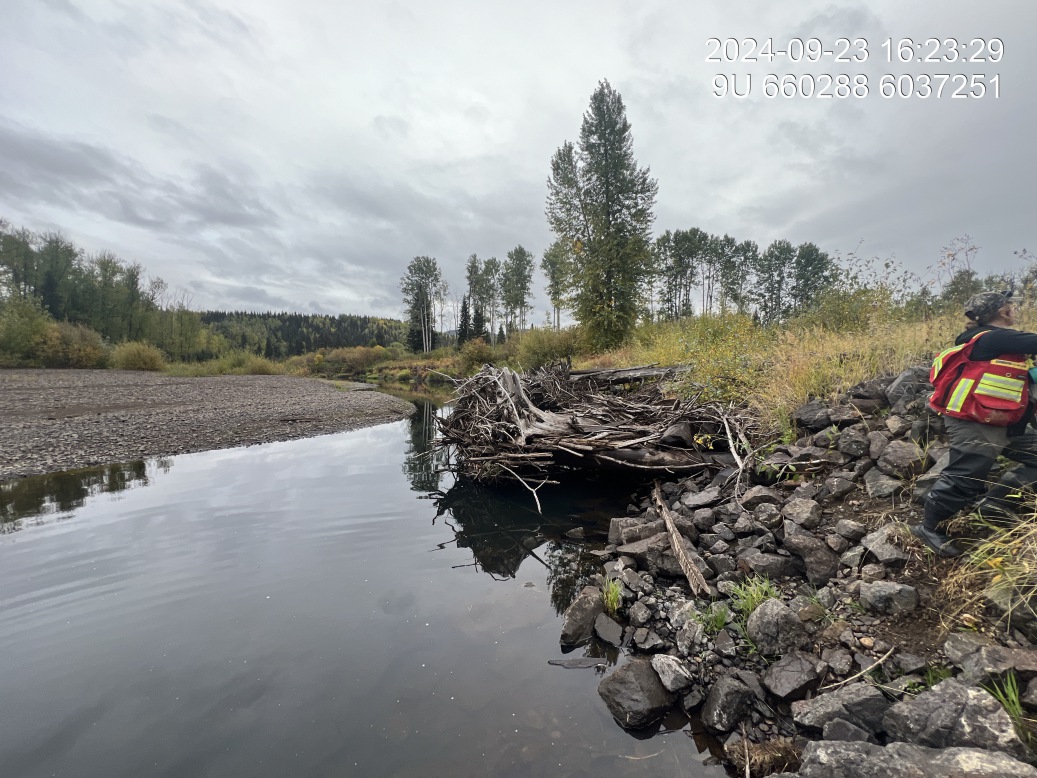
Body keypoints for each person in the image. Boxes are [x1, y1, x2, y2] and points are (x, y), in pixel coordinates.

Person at [914, 289, 1037, 557]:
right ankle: (928, 527)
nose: (1014, 310)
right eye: (1010, 306)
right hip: (974, 422)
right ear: (1004, 311)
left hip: (1005, 423)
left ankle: (994, 505)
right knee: (965, 478)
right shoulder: (992, 338)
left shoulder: (997, 343)